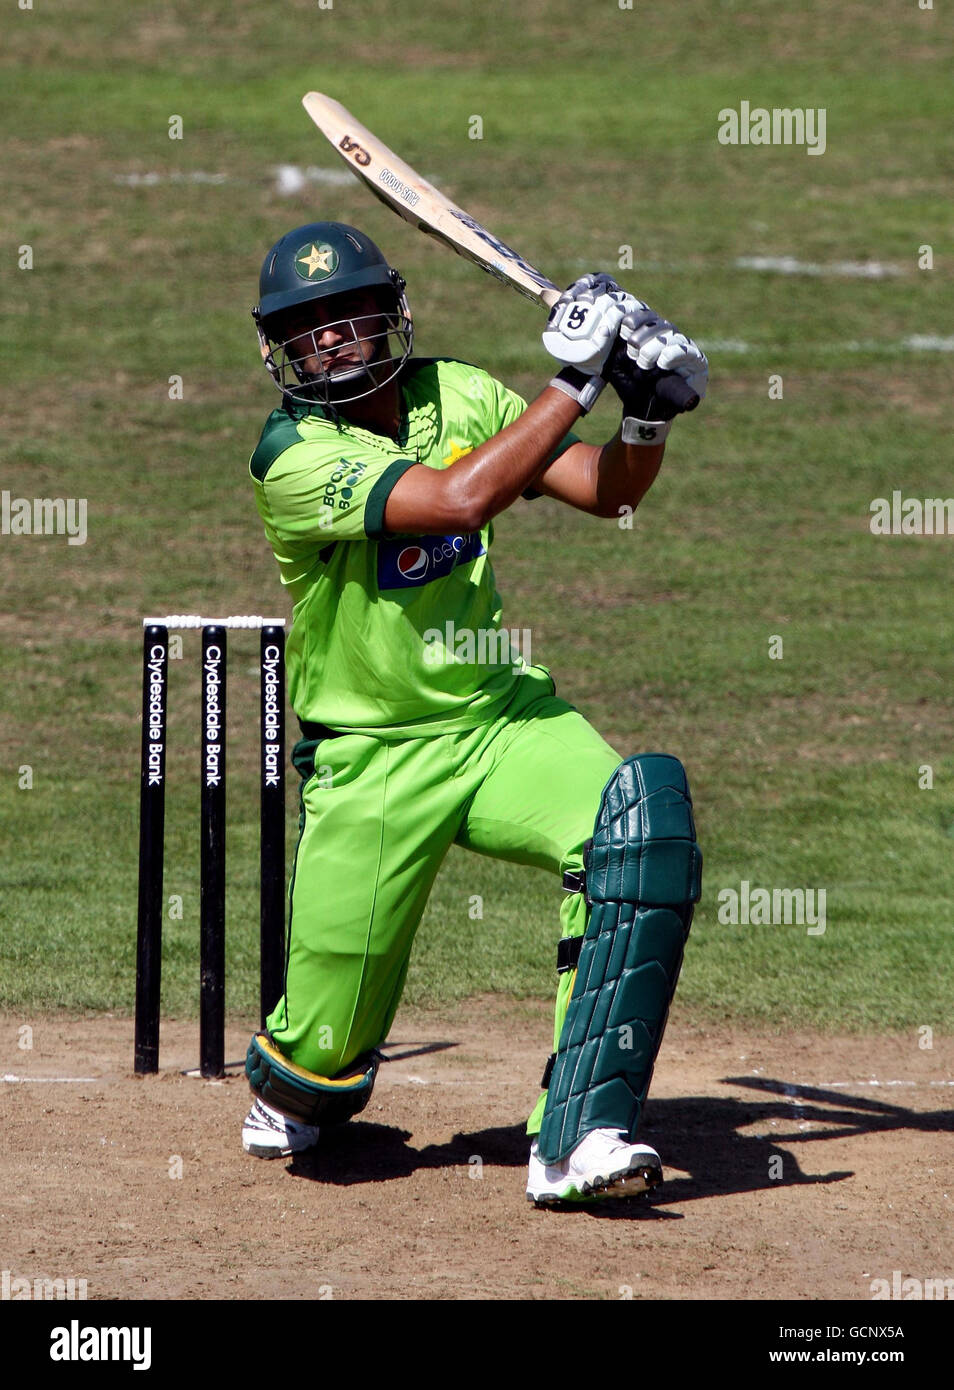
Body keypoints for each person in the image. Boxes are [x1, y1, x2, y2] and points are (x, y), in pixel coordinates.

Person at [240, 221, 705, 1204]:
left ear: (388, 314)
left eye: (345, 315)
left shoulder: (459, 393)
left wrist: (646, 409)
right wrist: (575, 381)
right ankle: (302, 1082)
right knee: (314, 1073)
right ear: (281, 346)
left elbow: (602, 492)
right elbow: (456, 500)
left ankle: (578, 1135)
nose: (328, 339)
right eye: (304, 327)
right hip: (371, 759)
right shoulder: (293, 456)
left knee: (637, 819)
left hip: (498, 722)